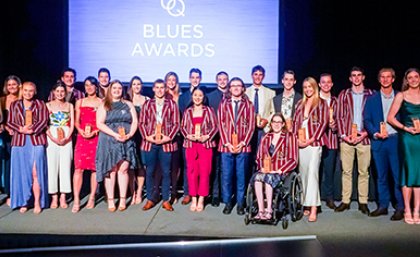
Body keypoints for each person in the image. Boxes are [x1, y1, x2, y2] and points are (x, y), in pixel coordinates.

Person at [363, 68, 404, 221]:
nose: (385, 80)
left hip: (395, 140)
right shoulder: (372, 99)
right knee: (381, 176)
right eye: (383, 77)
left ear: (393, 79)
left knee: (397, 175)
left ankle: (400, 207)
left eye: (388, 77)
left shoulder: (400, 97)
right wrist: (375, 133)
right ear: (379, 79)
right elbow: (366, 120)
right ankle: (383, 206)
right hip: (379, 141)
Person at [335, 66, 374, 215]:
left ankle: (363, 202)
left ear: (363, 77)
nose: (356, 78)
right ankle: (346, 201)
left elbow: (375, 118)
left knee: (363, 172)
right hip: (347, 139)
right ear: (350, 78)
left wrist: (364, 134)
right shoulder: (344, 94)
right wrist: (344, 135)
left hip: (364, 139)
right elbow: (338, 117)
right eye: (353, 76)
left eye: (359, 75)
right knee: (346, 171)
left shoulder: (371, 94)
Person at [96, 80, 138, 212]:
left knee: (124, 170)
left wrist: (130, 134)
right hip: (109, 139)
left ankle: (123, 199)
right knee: (111, 170)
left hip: (126, 140)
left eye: (119, 88)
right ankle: (110, 200)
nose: (117, 90)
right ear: (110, 89)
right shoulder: (104, 104)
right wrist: (114, 135)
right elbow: (99, 123)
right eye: (114, 88)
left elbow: (135, 121)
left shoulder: (129, 104)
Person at [8, 82, 49, 214]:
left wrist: (32, 130)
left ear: (35, 91)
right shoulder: (14, 105)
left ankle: (37, 201)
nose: (28, 93)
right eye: (25, 90)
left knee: (35, 172)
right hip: (19, 142)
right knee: (21, 173)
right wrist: (21, 129)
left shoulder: (40, 104)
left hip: (36, 140)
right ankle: (24, 201)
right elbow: (10, 121)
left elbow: (43, 120)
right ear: (22, 91)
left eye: (31, 91)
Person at [139, 79, 180, 212]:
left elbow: (176, 124)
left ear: (165, 89)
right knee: (150, 171)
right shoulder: (147, 104)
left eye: (162, 87)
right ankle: (151, 198)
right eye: (157, 87)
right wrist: (148, 136)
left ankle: (166, 200)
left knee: (166, 172)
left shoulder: (172, 104)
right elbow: (142, 123)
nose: (160, 90)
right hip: (150, 143)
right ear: (153, 89)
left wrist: (168, 138)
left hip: (166, 143)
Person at [218, 77, 255, 215]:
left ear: (243, 88)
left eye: (238, 85)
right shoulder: (223, 104)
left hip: (243, 147)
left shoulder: (249, 105)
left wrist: (242, 143)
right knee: (227, 176)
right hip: (226, 146)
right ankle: (228, 202)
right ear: (229, 88)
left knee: (241, 177)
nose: (235, 88)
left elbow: (251, 125)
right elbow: (220, 124)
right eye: (233, 85)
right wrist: (227, 142)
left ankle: (240, 203)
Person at [387, 68, 420, 224]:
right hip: (408, 138)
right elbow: (390, 118)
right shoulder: (401, 95)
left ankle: (416, 211)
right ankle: (407, 209)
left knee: (418, 175)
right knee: (408, 173)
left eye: (416, 77)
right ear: (406, 80)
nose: (413, 80)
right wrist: (406, 128)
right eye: (410, 77)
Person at [293, 77, 328, 222]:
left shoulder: (321, 103)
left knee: (313, 174)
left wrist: (310, 140)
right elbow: (295, 123)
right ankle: (306, 204)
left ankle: (314, 207)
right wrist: (297, 140)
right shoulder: (300, 103)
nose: (308, 89)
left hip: (314, 143)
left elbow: (323, 123)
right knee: (304, 174)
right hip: (301, 144)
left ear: (315, 88)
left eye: (310, 87)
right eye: (305, 87)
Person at [252, 113, 298, 220]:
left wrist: (280, 170)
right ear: (271, 124)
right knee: (257, 179)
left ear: (283, 124)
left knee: (269, 179)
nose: (276, 124)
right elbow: (259, 156)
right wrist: (261, 167)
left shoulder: (290, 137)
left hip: (280, 170)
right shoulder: (266, 137)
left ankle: (269, 210)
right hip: (266, 170)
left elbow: (293, 160)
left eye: (279, 122)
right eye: (274, 122)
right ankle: (261, 210)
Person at [181, 86, 218, 212]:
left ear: (204, 97)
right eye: (195, 95)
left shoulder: (209, 110)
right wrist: (188, 136)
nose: (197, 97)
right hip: (191, 145)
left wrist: (207, 136)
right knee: (192, 172)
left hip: (205, 145)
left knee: (204, 172)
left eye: (200, 95)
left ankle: (201, 199)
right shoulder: (187, 111)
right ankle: (194, 198)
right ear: (192, 96)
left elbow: (215, 127)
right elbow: (183, 127)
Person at [72, 76, 102, 213]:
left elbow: (104, 122)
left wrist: (95, 131)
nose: (89, 87)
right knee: (78, 168)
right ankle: (77, 200)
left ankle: (91, 197)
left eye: (91, 85)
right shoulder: (80, 102)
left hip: (96, 137)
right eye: (86, 85)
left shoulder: (102, 102)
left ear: (96, 86)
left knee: (94, 169)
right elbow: (77, 121)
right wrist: (81, 131)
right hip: (82, 137)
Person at [46, 81, 74, 209]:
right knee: (52, 166)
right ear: (53, 92)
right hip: (52, 135)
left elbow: (72, 124)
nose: (60, 93)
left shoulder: (69, 105)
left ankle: (63, 196)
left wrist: (67, 137)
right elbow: (45, 125)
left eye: (62, 91)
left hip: (66, 135)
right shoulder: (47, 105)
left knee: (65, 166)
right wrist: (52, 137)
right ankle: (54, 197)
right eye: (57, 91)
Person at [178, 68, 202, 205]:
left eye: (197, 77)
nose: (195, 79)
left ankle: (200, 193)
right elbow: (182, 116)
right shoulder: (183, 96)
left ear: (200, 79)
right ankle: (188, 192)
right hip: (187, 137)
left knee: (201, 167)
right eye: (193, 77)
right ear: (189, 79)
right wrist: (187, 134)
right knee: (189, 166)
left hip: (202, 138)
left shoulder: (205, 95)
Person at [245, 65, 276, 172]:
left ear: (264, 76)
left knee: (262, 156)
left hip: (264, 129)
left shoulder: (271, 92)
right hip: (248, 129)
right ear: (251, 76)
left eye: (260, 75)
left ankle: (260, 181)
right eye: (255, 74)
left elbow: (273, 111)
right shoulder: (245, 92)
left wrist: (266, 120)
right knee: (248, 158)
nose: (258, 77)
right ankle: (250, 183)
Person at [207, 71, 229, 207]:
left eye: (224, 79)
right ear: (216, 81)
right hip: (215, 137)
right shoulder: (209, 97)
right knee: (215, 167)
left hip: (231, 139)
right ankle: (215, 194)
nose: (222, 81)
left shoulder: (233, 96)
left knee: (226, 168)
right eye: (220, 79)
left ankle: (225, 194)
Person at [318, 73, 339, 209]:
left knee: (329, 171)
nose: (326, 84)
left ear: (331, 84)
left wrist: (334, 125)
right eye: (323, 82)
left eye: (328, 82)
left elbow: (342, 120)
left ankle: (329, 197)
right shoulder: (314, 100)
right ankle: (315, 199)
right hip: (316, 141)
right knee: (315, 171)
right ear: (319, 84)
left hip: (331, 140)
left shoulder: (336, 101)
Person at [0, 75, 22, 206]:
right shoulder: (2, 100)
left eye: (14, 84)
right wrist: (5, 127)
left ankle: (21, 191)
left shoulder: (23, 98)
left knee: (20, 164)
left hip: (21, 134)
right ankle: (9, 193)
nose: (12, 87)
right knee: (8, 164)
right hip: (7, 136)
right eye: (9, 85)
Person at [127, 76, 149, 205]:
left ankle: (139, 191)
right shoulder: (126, 100)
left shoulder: (147, 100)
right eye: (134, 84)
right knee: (130, 165)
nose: (136, 86)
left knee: (141, 165)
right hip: (130, 135)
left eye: (139, 84)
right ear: (131, 86)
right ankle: (132, 191)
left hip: (143, 135)